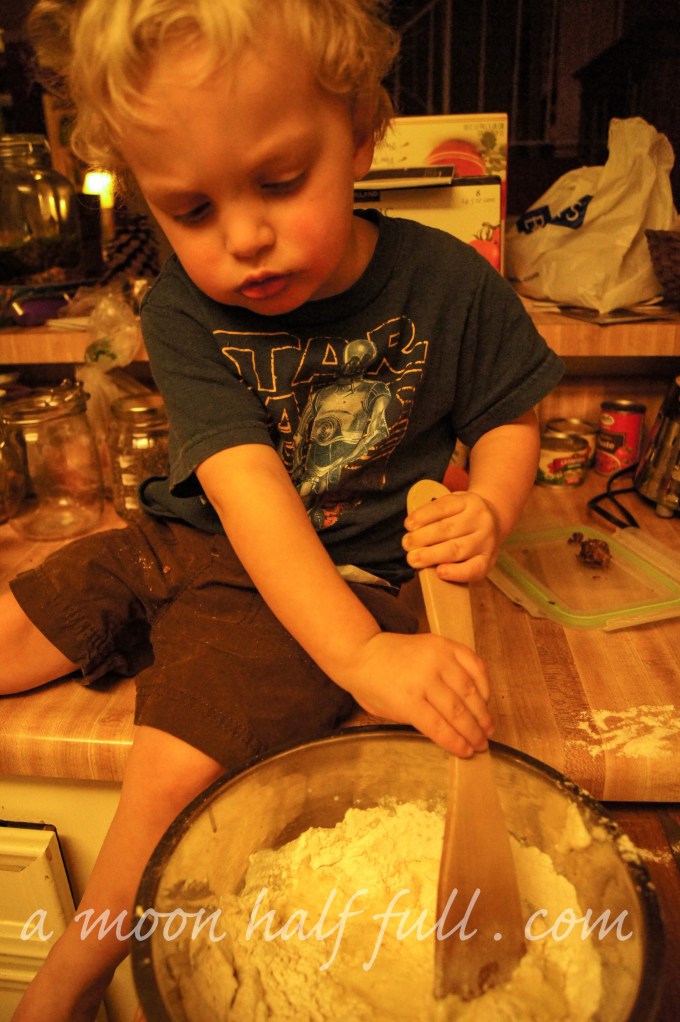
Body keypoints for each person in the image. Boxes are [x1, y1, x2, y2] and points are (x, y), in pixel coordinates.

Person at [2, 0, 563, 1018]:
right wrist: (359, 663)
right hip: (182, 534)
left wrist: (486, 502)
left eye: (277, 183)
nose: (245, 240)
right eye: (191, 211)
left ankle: (61, 988)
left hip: (328, 582)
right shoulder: (181, 308)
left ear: (357, 133)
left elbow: (507, 413)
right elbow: (239, 483)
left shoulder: (446, 281)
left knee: (166, 776)